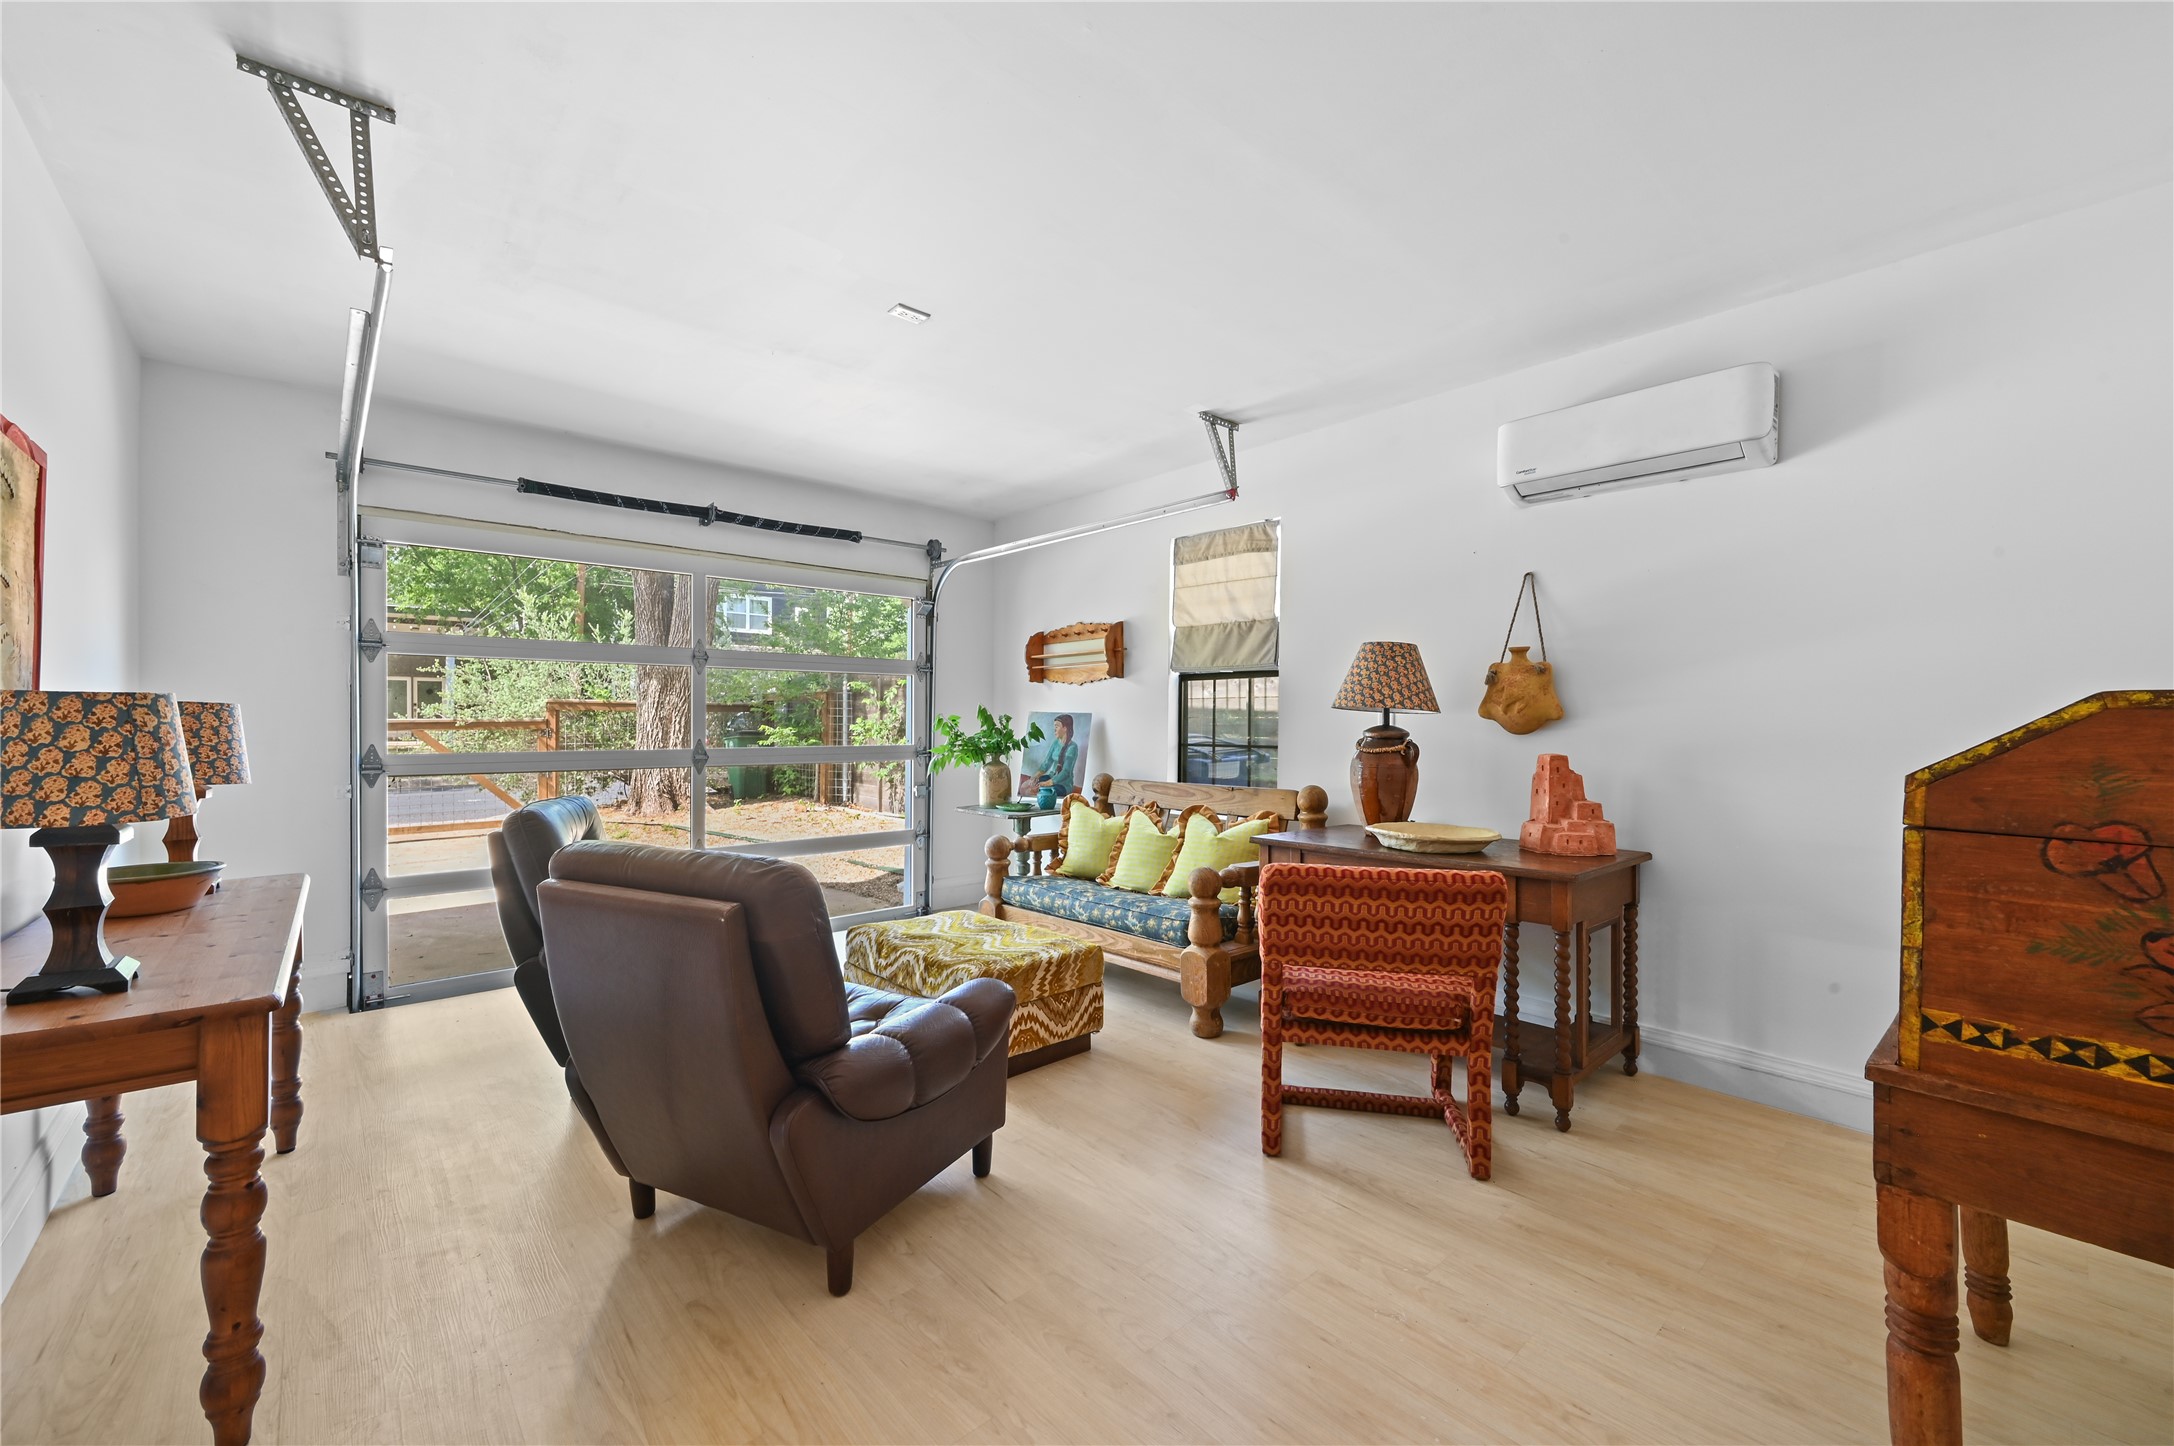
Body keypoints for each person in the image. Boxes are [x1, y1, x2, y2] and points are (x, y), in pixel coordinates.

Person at [1027, 714, 1079, 798]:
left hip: (1063, 784)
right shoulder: (1055, 743)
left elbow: (1065, 772)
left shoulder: (1073, 747)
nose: (1054, 729)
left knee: (1046, 792)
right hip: (1051, 777)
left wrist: (1046, 783)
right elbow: (1046, 763)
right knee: (1032, 784)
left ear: (1065, 728)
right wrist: (1035, 777)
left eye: (1057, 726)